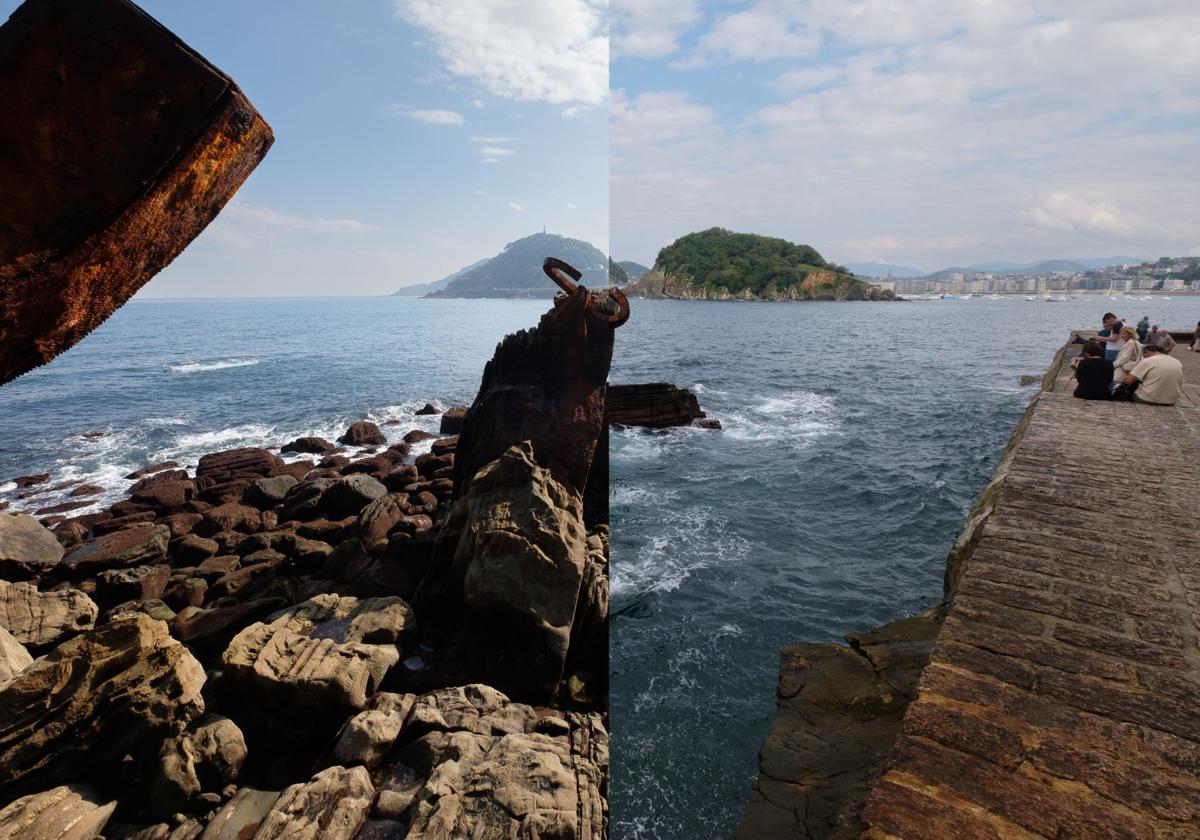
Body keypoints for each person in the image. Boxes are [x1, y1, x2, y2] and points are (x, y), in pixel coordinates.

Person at [1111, 325, 1143, 390]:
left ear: (1130, 334)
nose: (1121, 336)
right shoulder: (1137, 342)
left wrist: (1112, 365)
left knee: (1117, 384)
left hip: (1124, 369)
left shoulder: (1130, 343)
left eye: (1123, 334)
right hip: (1133, 367)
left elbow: (1124, 359)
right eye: (1121, 334)